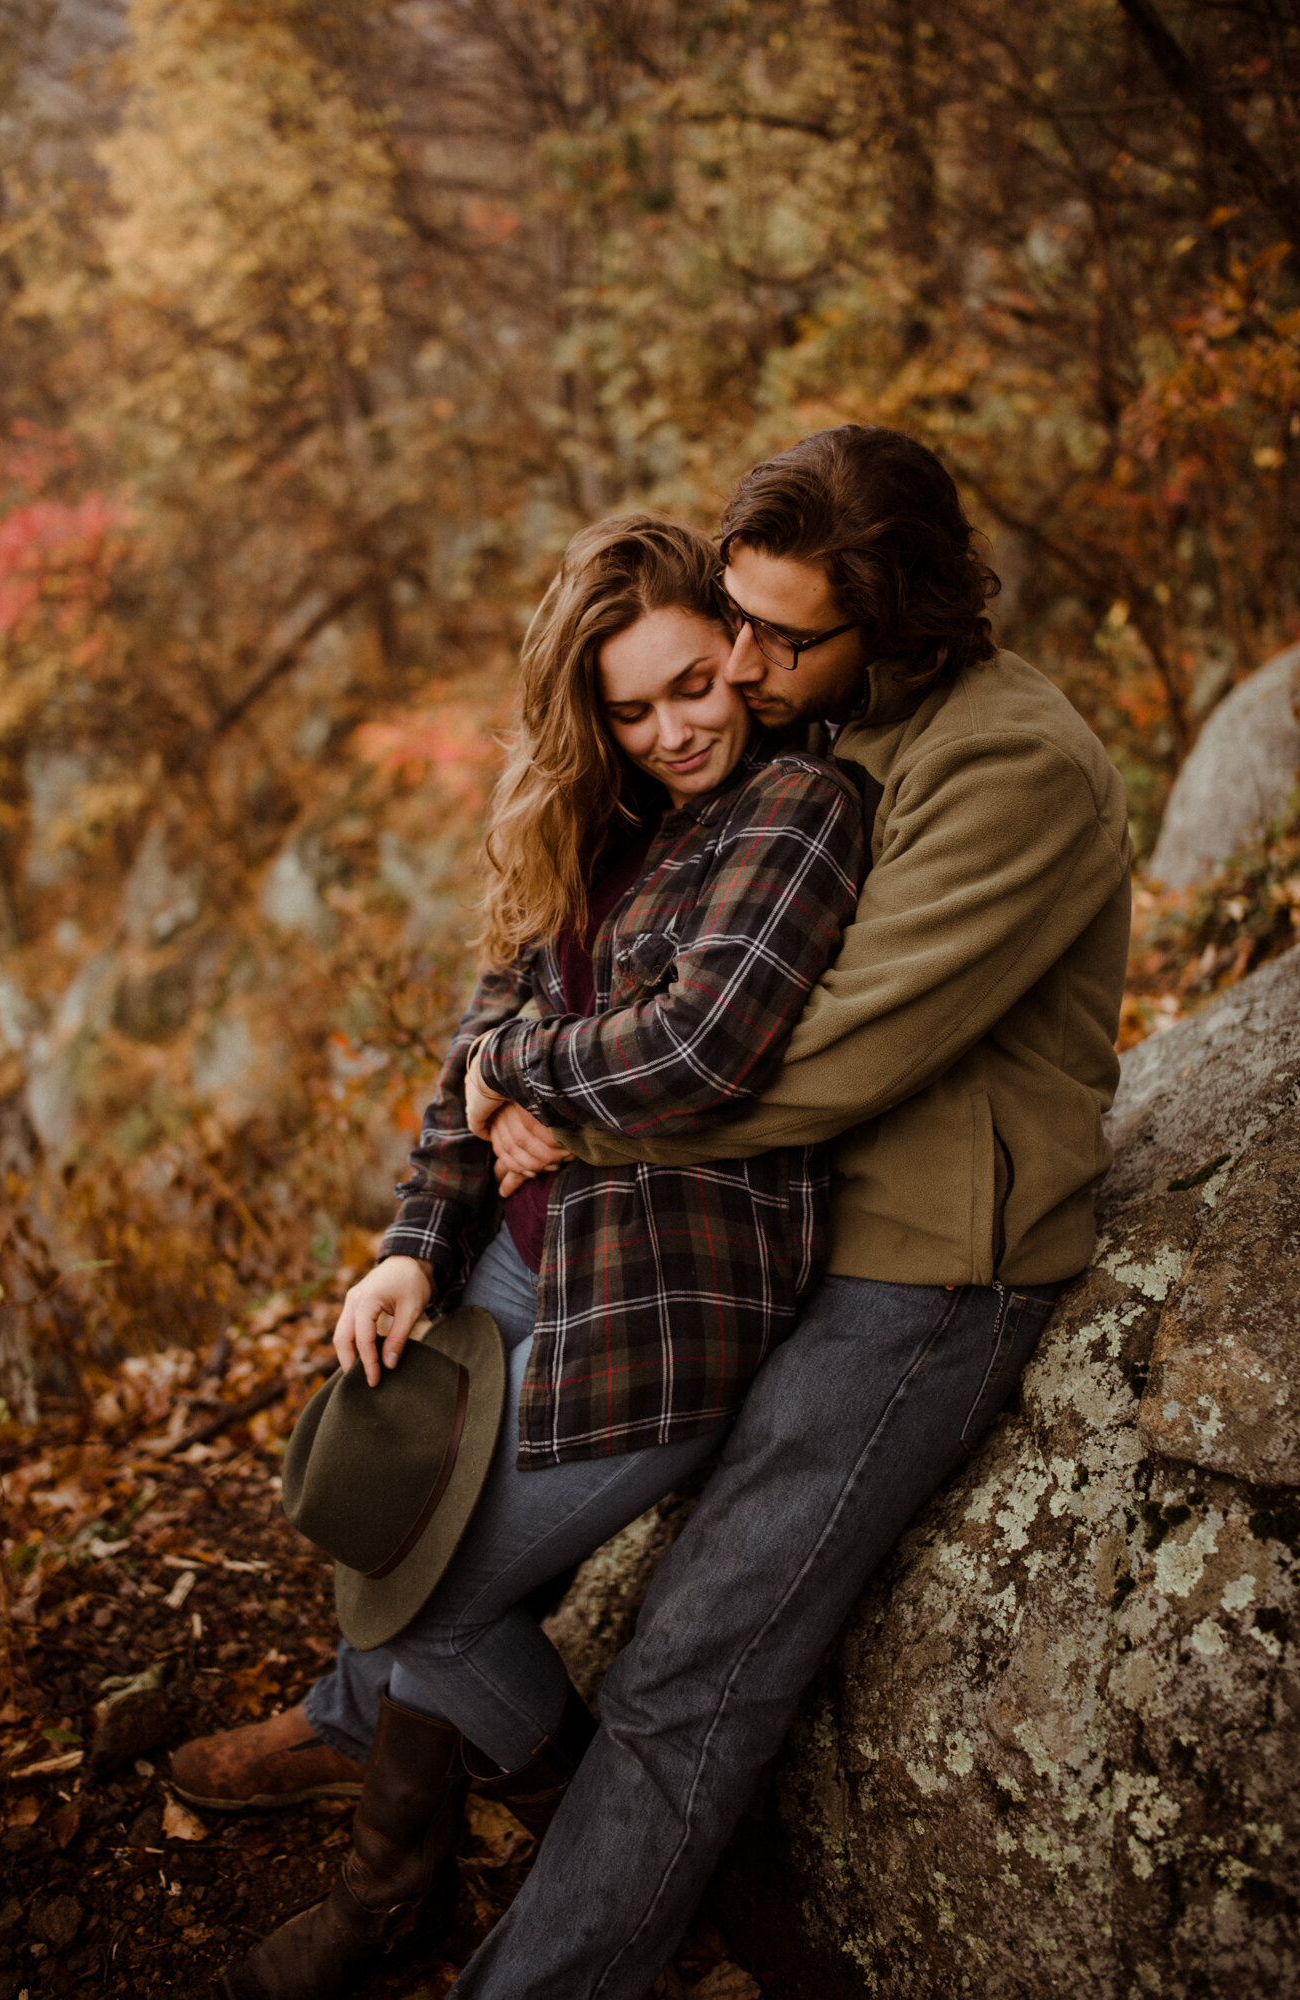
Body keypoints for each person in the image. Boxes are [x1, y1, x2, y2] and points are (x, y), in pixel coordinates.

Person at [431, 423, 1132, 1999]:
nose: (738, 667)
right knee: (448, 1522)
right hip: (773, 1226)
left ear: (899, 611)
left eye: (774, 635)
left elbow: (823, 1062)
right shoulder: (839, 717)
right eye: (731, 621)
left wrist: (564, 1123)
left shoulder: (1007, 763)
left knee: (696, 1664)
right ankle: (386, 1783)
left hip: (926, 1262)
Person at [206, 514, 865, 2000]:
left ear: (740, 650)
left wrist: (527, 1069)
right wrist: (412, 1249)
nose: (676, 731)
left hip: (659, 1300)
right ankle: (403, 1878)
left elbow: (700, 1045)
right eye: (630, 710)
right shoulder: (589, 810)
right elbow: (478, 1046)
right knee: (378, 1511)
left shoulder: (797, 807)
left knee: (434, 1599)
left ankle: (615, 1880)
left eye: (696, 685)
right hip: (505, 1265)